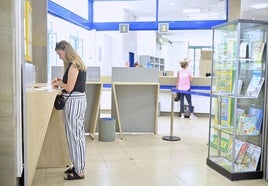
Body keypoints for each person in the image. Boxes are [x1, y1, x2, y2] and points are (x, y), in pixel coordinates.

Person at [52, 40, 87, 180]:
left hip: (74, 102)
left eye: (60, 54)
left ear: (66, 50)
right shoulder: (74, 64)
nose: (60, 57)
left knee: (75, 136)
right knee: (74, 135)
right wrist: (61, 80)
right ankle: (77, 165)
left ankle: (79, 171)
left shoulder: (74, 65)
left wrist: (59, 82)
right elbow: (71, 84)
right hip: (76, 101)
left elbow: (70, 87)